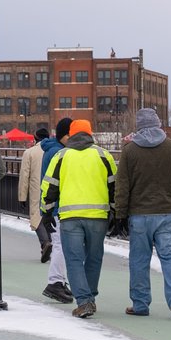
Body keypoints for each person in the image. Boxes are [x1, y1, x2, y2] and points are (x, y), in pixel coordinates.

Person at [114, 108, 171, 320]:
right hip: (170, 213)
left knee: (139, 260)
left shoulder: (130, 151)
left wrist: (120, 214)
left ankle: (140, 304)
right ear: (159, 124)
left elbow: (122, 185)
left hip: (139, 215)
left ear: (138, 126)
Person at [41, 119, 116, 318]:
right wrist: (117, 212)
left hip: (69, 216)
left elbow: (49, 186)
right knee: (94, 258)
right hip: (98, 216)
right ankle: (89, 297)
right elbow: (114, 186)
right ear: (90, 133)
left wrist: (46, 211)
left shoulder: (61, 155)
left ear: (71, 134)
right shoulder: (103, 155)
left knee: (73, 259)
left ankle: (84, 301)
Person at [38, 118, 74, 304]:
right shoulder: (57, 153)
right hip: (57, 207)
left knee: (61, 244)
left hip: (53, 206)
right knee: (61, 245)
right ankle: (55, 282)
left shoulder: (52, 150)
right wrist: (48, 210)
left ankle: (58, 281)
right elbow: (54, 183)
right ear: (65, 135)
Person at [17, 127, 53, 263]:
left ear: (35, 138)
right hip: (52, 188)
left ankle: (45, 243)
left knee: (36, 218)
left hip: (36, 189)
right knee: (51, 216)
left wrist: (22, 197)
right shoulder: (54, 150)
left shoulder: (29, 152)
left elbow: (24, 176)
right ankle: (51, 243)